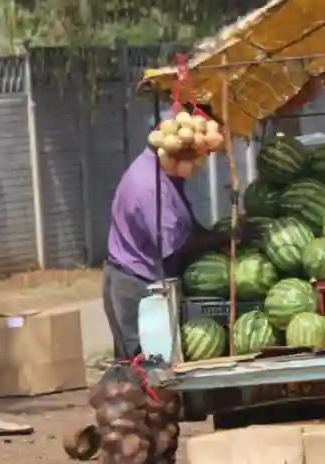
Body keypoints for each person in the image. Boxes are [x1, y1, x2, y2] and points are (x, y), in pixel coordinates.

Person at [102, 144, 251, 362]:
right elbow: (177, 245)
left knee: (155, 362)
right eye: (197, 158)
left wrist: (221, 238)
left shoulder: (165, 175)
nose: (200, 166)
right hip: (135, 285)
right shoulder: (151, 187)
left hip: (144, 277)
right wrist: (226, 237)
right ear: (177, 155)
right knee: (143, 363)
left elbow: (185, 226)